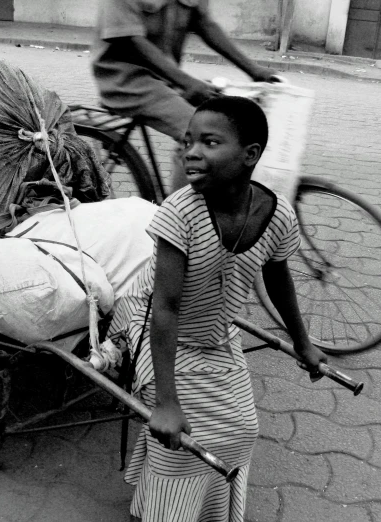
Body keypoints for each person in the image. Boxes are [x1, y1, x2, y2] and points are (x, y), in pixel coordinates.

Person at [109, 95, 327, 522]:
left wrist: (304, 343)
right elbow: (165, 309)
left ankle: (204, 510)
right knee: (179, 437)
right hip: (152, 328)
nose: (191, 152)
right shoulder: (180, 212)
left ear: (250, 155)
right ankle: (159, 511)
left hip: (216, 332)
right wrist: (167, 403)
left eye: (209, 143)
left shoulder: (277, 212)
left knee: (243, 429)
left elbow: (278, 277)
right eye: (189, 141)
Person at [92, 0, 279, 190]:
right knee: (199, 134)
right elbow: (129, 40)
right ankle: (178, 217)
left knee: (225, 118)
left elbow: (205, 25)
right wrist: (187, 82)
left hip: (166, 75)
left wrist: (254, 70)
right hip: (125, 80)